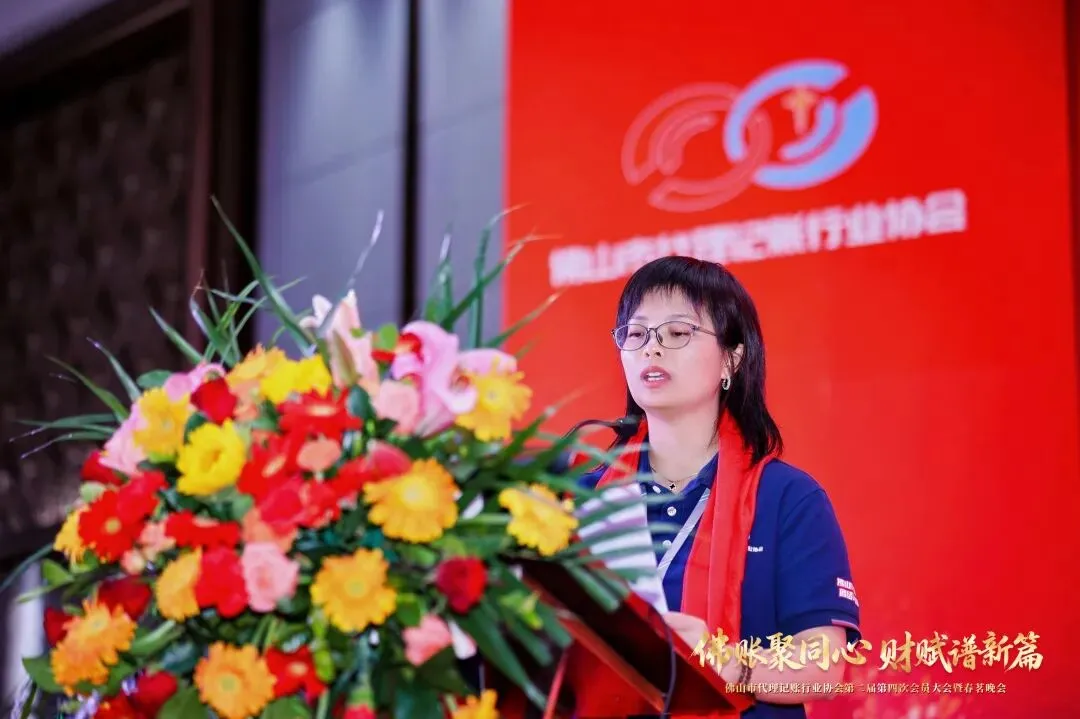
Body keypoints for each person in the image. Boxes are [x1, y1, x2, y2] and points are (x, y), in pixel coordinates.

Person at [576, 257, 861, 719]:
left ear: (732, 358)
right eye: (636, 333)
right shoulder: (579, 500)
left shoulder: (787, 499)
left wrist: (730, 665)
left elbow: (825, 665)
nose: (652, 348)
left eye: (677, 332)